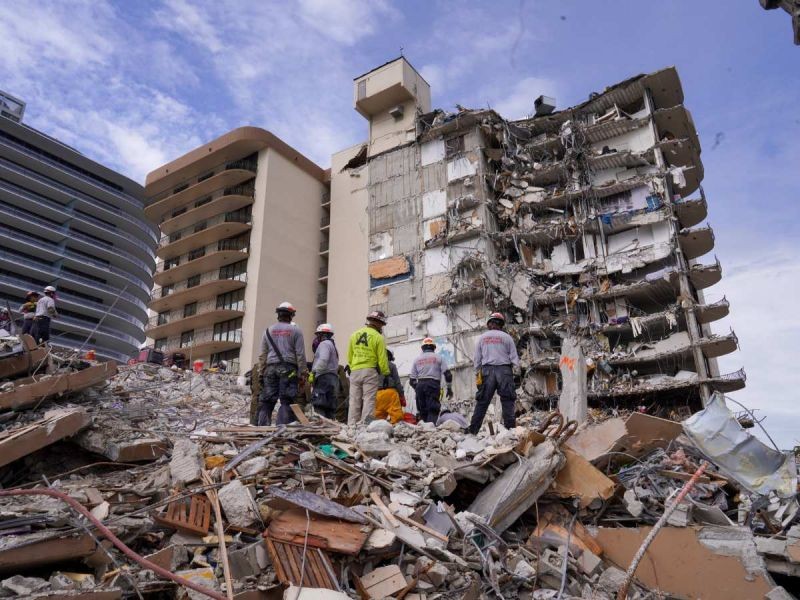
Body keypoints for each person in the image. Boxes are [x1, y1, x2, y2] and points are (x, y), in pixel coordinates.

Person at [468, 312, 520, 434]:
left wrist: (477, 374)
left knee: (482, 402)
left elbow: (477, 359)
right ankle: (510, 431)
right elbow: (514, 359)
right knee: (507, 401)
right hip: (505, 372)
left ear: (489, 324)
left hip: (487, 372)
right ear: (501, 324)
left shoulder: (482, 338)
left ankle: (473, 431)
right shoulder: (507, 337)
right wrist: (517, 374)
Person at [257, 302, 307, 426]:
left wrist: (261, 373)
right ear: (291, 315)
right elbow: (300, 355)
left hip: (270, 369)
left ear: (278, 315)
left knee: (267, 401)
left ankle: (262, 429)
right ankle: (282, 429)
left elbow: (262, 355)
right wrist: (302, 374)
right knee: (287, 400)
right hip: (289, 370)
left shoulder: (267, 331)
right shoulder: (296, 331)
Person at [346, 310, 390, 424]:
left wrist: (352, 366)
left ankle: (351, 425)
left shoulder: (354, 335)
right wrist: (385, 373)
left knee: (354, 400)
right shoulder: (378, 337)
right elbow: (382, 359)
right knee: (369, 400)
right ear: (379, 323)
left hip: (355, 371)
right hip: (370, 371)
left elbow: (350, 356)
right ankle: (365, 425)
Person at [410, 337, 453, 424]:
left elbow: (412, 380)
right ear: (434, 347)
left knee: (422, 411)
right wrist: (449, 389)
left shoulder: (416, 360)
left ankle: (424, 429)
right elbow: (448, 375)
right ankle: (430, 429)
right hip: (433, 384)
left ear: (422, 348)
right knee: (433, 410)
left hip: (420, 385)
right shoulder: (439, 358)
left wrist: (418, 389)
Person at [309, 323, 339, 419]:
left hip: (324, 378)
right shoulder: (332, 345)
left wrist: (313, 372)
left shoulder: (324, 344)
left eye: (318, 335)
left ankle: (321, 424)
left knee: (319, 404)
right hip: (333, 379)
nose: (317, 338)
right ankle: (329, 425)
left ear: (322, 335)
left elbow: (323, 360)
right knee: (330, 407)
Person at [375, 350, 405, 424]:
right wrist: (402, 395)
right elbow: (397, 382)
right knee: (397, 418)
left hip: (377, 394)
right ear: (390, 356)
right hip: (391, 394)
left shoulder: (375, 366)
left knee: (378, 419)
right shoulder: (392, 365)